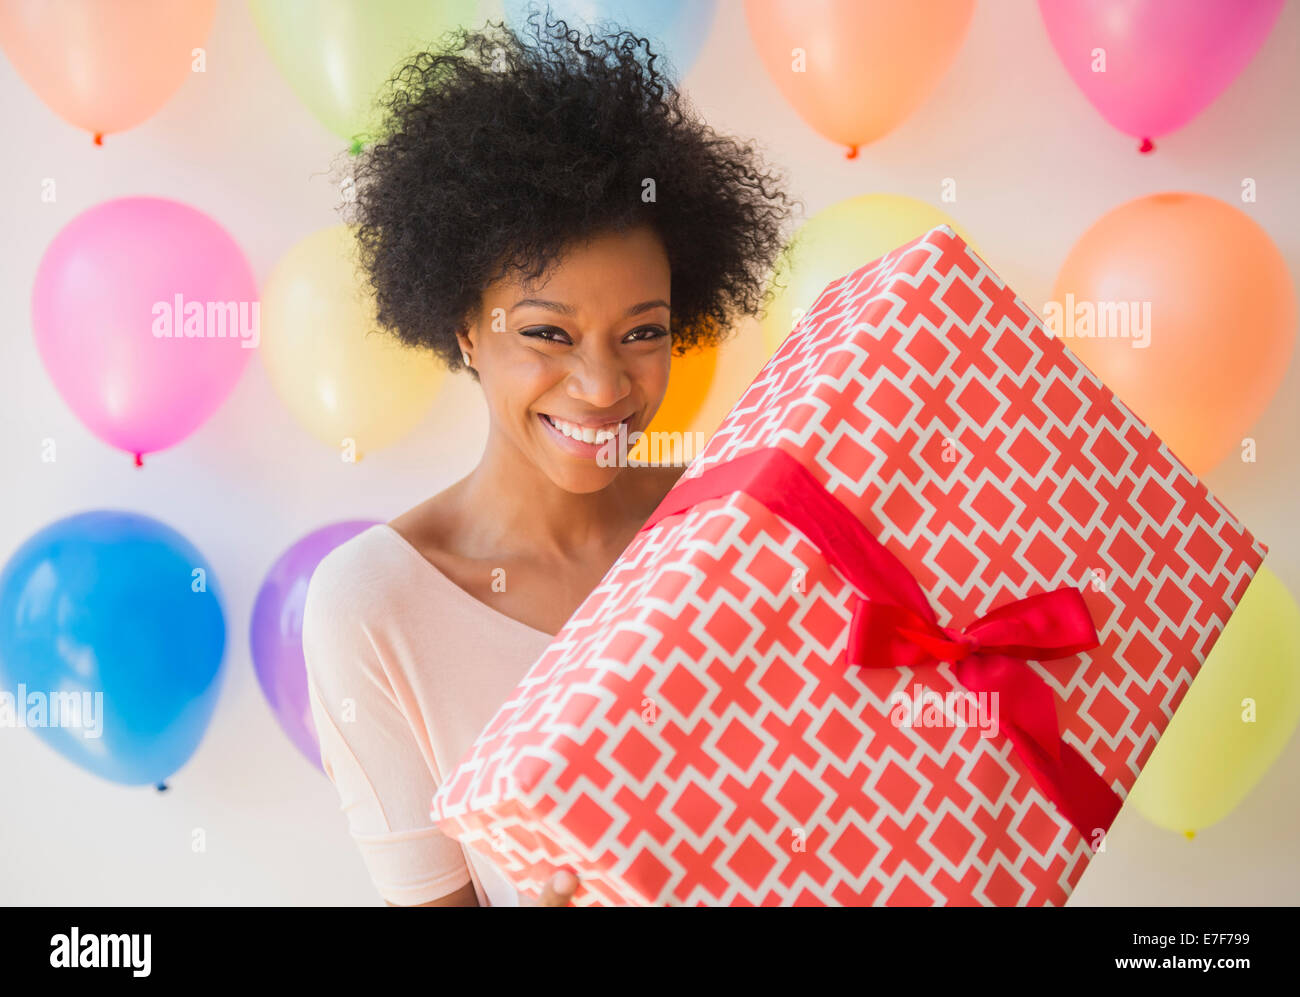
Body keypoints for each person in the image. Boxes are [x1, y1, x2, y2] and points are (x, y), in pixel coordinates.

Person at [302, 9, 796, 907]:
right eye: (548, 333)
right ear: (466, 331)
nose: (604, 386)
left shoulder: (737, 535)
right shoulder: (376, 607)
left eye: (642, 331)